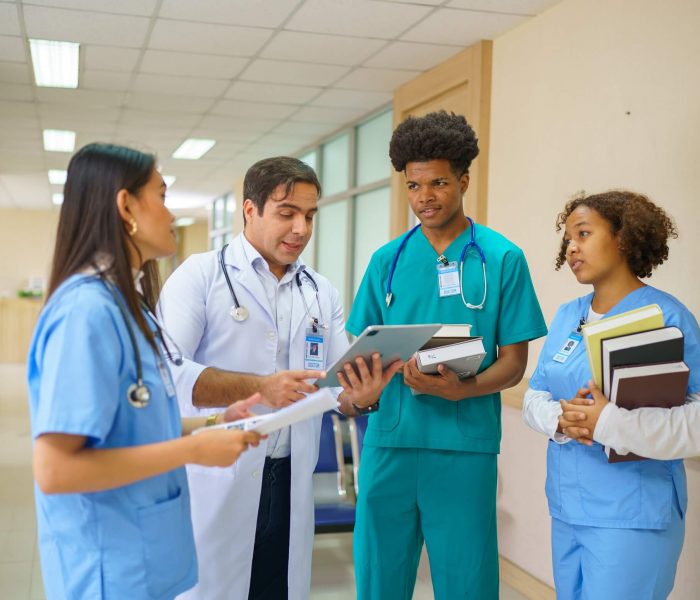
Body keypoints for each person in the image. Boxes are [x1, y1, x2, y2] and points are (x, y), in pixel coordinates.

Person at [158, 156, 400, 600]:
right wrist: (260, 386)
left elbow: (336, 388)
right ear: (250, 210)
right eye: (287, 213)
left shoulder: (319, 290)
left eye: (309, 215)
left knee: (276, 588)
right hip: (219, 474)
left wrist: (362, 397)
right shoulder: (200, 275)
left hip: (289, 477)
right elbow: (169, 375)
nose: (301, 229)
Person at [27, 143, 262, 600]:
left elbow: (132, 424)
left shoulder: (128, 305)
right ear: (126, 205)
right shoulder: (86, 312)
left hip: (141, 556)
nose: (170, 213)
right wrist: (192, 451)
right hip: (107, 563)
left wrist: (213, 422)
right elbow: (56, 469)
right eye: (162, 195)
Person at [347, 111, 548, 600]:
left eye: (438, 183)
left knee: (467, 579)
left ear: (462, 180)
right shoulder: (386, 262)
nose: (425, 197)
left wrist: (463, 388)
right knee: (379, 575)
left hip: (462, 446)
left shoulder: (502, 258)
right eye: (414, 186)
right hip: (389, 441)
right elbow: (360, 356)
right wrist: (364, 392)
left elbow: (514, 362)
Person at [522, 190, 700, 599]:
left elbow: (695, 420)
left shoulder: (666, 318)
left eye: (583, 234)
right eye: (567, 239)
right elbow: (535, 393)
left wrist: (608, 422)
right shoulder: (569, 315)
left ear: (623, 238)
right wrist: (559, 419)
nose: (571, 248)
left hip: (634, 514)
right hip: (568, 508)